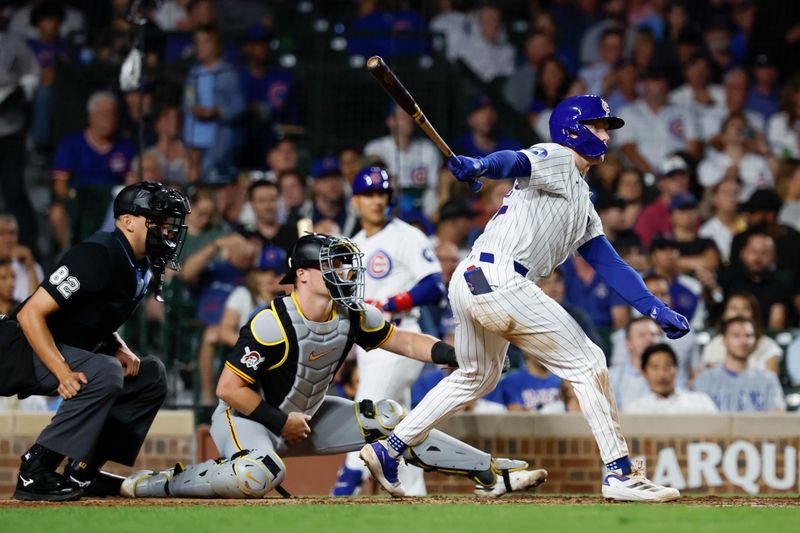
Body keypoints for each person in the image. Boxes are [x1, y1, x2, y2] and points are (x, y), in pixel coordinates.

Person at [363, 95, 689, 503]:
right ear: (574, 129)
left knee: (476, 376)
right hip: (500, 277)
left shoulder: (582, 200)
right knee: (588, 362)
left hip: (474, 279)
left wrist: (654, 307)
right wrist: (482, 165)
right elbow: (515, 161)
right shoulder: (558, 156)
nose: (605, 134)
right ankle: (619, 473)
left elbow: (609, 264)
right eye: (598, 125)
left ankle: (389, 448)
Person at [121, 234, 546, 499]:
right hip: (248, 419)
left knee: (388, 418)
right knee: (260, 472)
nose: (343, 271)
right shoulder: (272, 321)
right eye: (332, 264)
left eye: (343, 263)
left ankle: (490, 474)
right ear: (303, 275)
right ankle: (159, 483)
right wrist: (279, 421)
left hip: (306, 417)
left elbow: (406, 340)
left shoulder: (352, 312)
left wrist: (457, 356)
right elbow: (228, 389)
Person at [0, 182, 190, 501]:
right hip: (15, 347)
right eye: (156, 222)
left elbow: (91, 315)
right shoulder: (97, 254)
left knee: (150, 375)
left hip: (53, 345)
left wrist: (119, 347)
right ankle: (35, 471)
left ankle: (82, 472)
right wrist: (62, 372)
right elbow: (31, 314)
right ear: (127, 221)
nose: (165, 232)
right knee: (104, 372)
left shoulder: (141, 265)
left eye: (168, 224)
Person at [333, 167, 445, 497]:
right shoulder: (351, 245)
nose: (377, 200)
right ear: (355, 201)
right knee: (397, 423)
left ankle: (346, 486)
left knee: (365, 415)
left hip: (400, 339)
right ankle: (413, 496)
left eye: (382, 193)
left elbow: (433, 285)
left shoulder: (406, 235)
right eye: (369, 194)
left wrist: (394, 301)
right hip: (367, 347)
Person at [51, 92, 135, 250]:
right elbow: (60, 182)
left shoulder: (125, 146)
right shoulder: (71, 144)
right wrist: (70, 200)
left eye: (113, 114)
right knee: (57, 213)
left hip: (113, 204)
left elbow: (132, 180)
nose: (109, 119)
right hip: (80, 200)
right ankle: (68, 254)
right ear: (91, 116)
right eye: (104, 114)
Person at [615, 69, 701, 175]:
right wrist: (653, 176)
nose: (658, 90)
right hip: (643, 176)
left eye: (661, 85)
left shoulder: (684, 112)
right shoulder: (629, 112)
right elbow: (629, 150)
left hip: (677, 175)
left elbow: (694, 149)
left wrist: (678, 176)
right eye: (653, 84)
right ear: (644, 86)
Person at [694, 317, 786, 412]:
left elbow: (777, 418)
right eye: (736, 336)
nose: (743, 341)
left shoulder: (768, 380)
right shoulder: (705, 378)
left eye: (748, 336)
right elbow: (698, 419)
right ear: (724, 340)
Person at [364, 105, 442, 216]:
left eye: (410, 115)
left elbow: (435, 188)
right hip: (391, 208)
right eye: (403, 116)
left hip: (423, 209)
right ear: (390, 121)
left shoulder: (428, 149)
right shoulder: (376, 148)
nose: (409, 119)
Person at [700, 292, 783, 376]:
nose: (739, 312)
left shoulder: (768, 346)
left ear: (754, 314)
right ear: (724, 314)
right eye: (734, 308)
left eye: (745, 308)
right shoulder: (713, 346)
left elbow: (771, 383)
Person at [625, 344, 718, 414]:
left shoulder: (701, 403)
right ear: (644, 372)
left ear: (676, 369)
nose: (662, 374)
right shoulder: (635, 410)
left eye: (667, 366)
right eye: (655, 367)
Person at [608, 317, 660, 412]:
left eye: (654, 334)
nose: (650, 339)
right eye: (642, 335)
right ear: (628, 344)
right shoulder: (613, 377)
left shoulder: (672, 373)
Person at [0, 214, 43, 302]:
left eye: (12, 233)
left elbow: (36, 305)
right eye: (2, 233)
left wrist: (31, 268)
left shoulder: (33, 266)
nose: (8, 239)